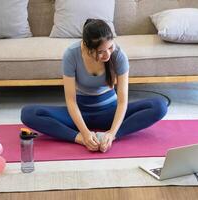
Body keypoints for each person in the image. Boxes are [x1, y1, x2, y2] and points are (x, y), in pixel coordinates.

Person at [21, 19, 168, 153]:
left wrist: (112, 134)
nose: (108, 55)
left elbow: (122, 101)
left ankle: (111, 135)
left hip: (110, 112)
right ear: (86, 47)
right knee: (28, 113)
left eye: (110, 48)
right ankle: (77, 137)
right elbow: (71, 101)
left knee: (159, 106)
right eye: (101, 52)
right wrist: (83, 135)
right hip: (80, 113)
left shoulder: (119, 55)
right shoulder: (71, 55)